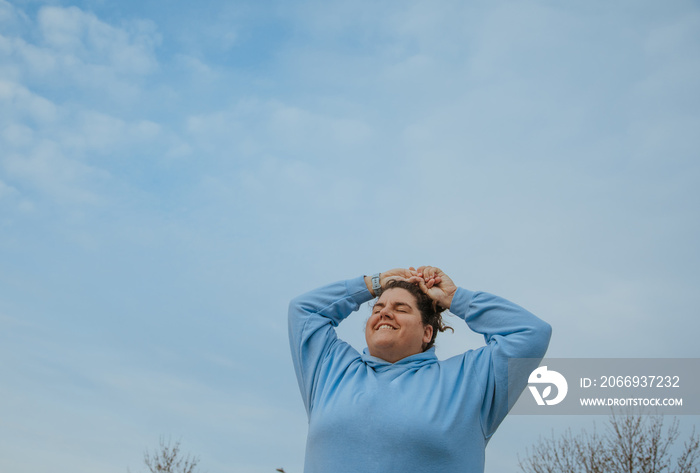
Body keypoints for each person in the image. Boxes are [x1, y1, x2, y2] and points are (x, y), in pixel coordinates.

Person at [288, 266, 551, 473]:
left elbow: (530, 333)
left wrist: (454, 298)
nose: (384, 313)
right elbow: (304, 312)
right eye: (378, 308)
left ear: (427, 333)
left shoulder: (469, 381)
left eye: (400, 309)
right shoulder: (331, 370)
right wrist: (373, 284)